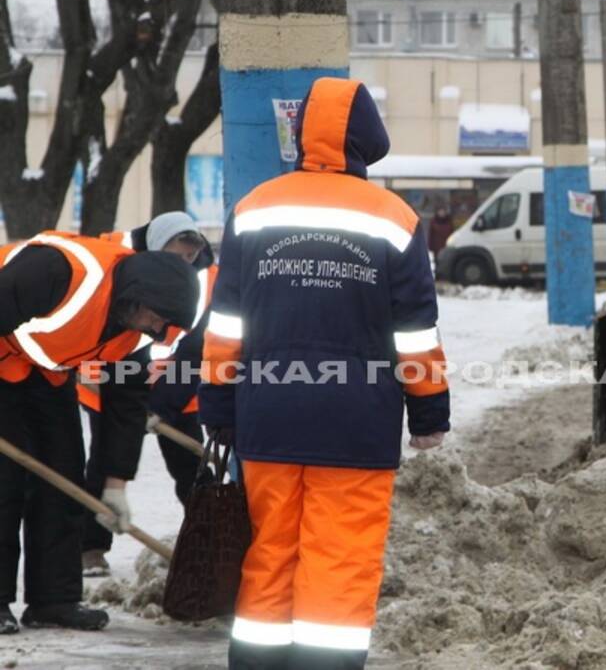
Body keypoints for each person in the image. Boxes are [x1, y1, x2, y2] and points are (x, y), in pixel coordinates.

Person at [200, 77, 450, 669]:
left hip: (268, 416)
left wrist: (217, 401)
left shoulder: (255, 208)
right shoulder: (395, 218)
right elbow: (413, 331)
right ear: (367, 140)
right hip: (356, 424)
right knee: (338, 563)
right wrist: (429, 410)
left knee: (269, 555)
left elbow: (226, 321)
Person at [0, 234, 198, 633]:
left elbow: (125, 407)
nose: (158, 332)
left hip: (48, 375)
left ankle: (53, 600)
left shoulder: (132, 334)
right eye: (157, 320)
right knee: (5, 483)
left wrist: (115, 484)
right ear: (140, 297)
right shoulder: (60, 270)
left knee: (64, 474)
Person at [80, 212, 216, 577]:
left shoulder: (208, 280)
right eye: (176, 254)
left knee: (193, 469)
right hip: (113, 379)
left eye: (190, 257)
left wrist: (162, 404)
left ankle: (209, 542)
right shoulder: (114, 254)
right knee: (105, 461)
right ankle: (91, 547)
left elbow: (197, 348)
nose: (184, 264)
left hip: (175, 387)